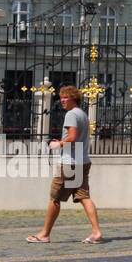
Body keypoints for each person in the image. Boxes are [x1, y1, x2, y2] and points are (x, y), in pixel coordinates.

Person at [27, 86, 103, 245]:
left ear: (74, 99)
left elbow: (73, 137)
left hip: (69, 163)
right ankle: (96, 232)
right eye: (61, 97)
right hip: (82, 160)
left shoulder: (71, 114)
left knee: (54, 198)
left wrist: (58, 144)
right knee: (84, 196)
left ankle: (44, 235)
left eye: (65, 97)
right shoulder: (83, 114)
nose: (62, 100)